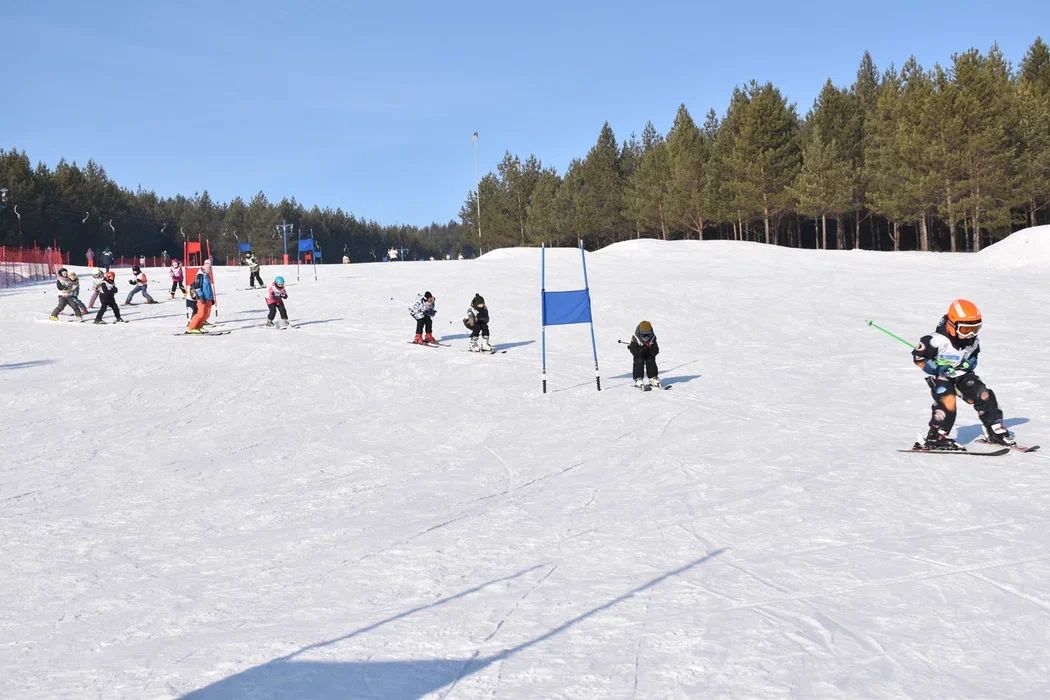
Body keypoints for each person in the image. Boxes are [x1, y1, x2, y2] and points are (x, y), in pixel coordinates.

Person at [911, 299, 1016, 450]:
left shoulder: (972, 341)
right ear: (952, 325)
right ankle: (936, 436)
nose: (971, 334)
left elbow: (973, 357)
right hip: (940, 377)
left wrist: (969, 364)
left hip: (961, 374)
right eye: (966, 330)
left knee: (984, 395)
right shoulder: (935, 340)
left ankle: (994, 428)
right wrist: (937, 368)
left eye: (976, 329)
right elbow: (919, 359)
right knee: (947, 400)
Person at [628, 321, 661, 389]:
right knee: (639, 361)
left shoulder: (652, 338)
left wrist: (652, 351)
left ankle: (653, 378)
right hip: (639, 355)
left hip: (648, 354)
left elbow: (656, 350)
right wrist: (641, 350)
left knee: (651, 360)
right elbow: (634, 351)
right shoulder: (635, 338)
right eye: (643, 335)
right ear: (639, 333)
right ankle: (638, 378)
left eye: (648, 335)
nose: (646, 337)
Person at [186, 260, 215, 333]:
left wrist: (212, 298)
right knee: (201, 314)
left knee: (206, 314)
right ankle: (191, 327)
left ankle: (199, 326)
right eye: (209, 269)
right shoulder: (200, 275)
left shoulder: (207, 276)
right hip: (202, 298)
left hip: (208, 298)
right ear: (205, 268)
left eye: (210, 269)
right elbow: (197, 287)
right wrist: (201, 296)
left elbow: (209, 287)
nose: (210, 270)